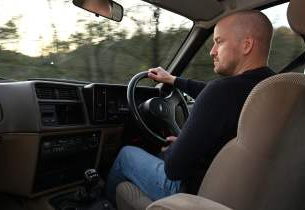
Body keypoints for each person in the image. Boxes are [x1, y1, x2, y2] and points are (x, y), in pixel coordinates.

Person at [106, 10, 276, 202]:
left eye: (219, 42)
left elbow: (174, 169)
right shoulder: (275, 88)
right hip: (246, 193)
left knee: (126, 154)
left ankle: (102, 204)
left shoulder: (222, 92)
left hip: (196, 193)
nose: (212, 51)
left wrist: (176, 145)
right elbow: (213, 93)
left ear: (246, 45)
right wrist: (172, 79)